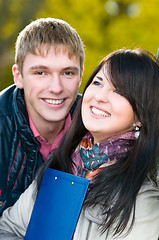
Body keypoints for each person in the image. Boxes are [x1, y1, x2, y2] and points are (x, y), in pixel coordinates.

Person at [0, 48, 159, 240]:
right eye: (98, 82)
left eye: (118, 91)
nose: (99, 96)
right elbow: (8, 228)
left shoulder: (141, 200)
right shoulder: (62, 165)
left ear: (141, 115)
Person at [0, 17, 84, 214]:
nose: (56, 88)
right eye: (40, 73)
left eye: (67, 73)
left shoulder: (99, 127)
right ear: (18, 76)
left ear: (81, 75)